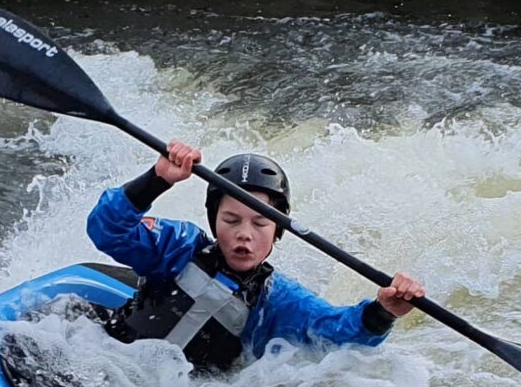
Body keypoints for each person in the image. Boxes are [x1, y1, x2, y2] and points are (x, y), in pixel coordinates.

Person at [87, 142, 425, 373]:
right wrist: (157, 180)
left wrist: (383, 312)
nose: (244, 234)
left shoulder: (277, 301)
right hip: (110, 355)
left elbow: (338, 333)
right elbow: (107, 229)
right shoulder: (178, 246)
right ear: (214, 220)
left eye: (260, 223)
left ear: (277, 231)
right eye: (231, 221)